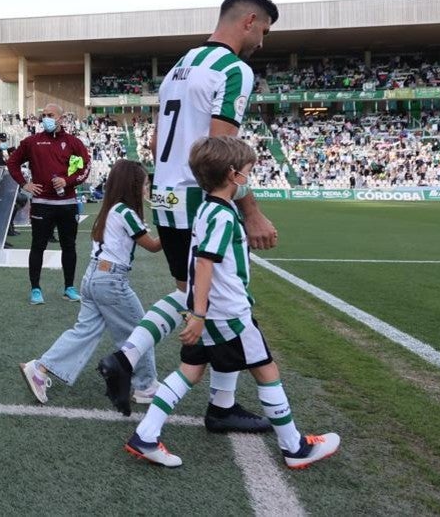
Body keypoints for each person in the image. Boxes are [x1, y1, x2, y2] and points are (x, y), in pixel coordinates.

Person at [98, 0, 279, 434]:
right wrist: (251, 210)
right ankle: (220, 405)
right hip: (203, 201)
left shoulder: (180, 66)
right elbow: (223, 152)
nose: (263, 43)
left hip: (167, 199)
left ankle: (129, 356)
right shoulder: (233, 69)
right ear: (249, 20)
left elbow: (158, 143)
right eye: (266, 31)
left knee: (194, 298)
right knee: (225, 304)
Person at [124, 136, 340, 469]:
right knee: (267, 370)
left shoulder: (206, 208)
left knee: (190, 372)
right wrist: (198, 313)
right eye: (248, 172)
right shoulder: (223, 216)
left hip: (211, 311)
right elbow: (205, 262)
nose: (249, 179)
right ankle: (293, 447)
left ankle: (146, 435)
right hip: (228, 315)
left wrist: (198, 311)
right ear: (233, 174)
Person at [19, 160, 161, 405]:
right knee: (142, 331)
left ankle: (40, 369)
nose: (147, 189)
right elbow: (153, 246)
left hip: (93, 276)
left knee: (84, 331)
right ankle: (146, 386)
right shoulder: (125, 212)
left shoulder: (110, 209)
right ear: (134, 185)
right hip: (111, 280)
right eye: (145, 185)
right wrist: (180, 229)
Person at [6, 103, 91, 305]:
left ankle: (69, 288)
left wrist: (67, 181)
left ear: (61, 119)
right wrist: (25, 184)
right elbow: (12, 163)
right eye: (43, 115)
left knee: (69, 246)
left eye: (50, 115)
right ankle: (35, 289)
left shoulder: (73, 143)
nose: (45, 118)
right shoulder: (32, 142)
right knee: (38, 246)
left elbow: (84, 168)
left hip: (68, 203)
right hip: (42, 204)